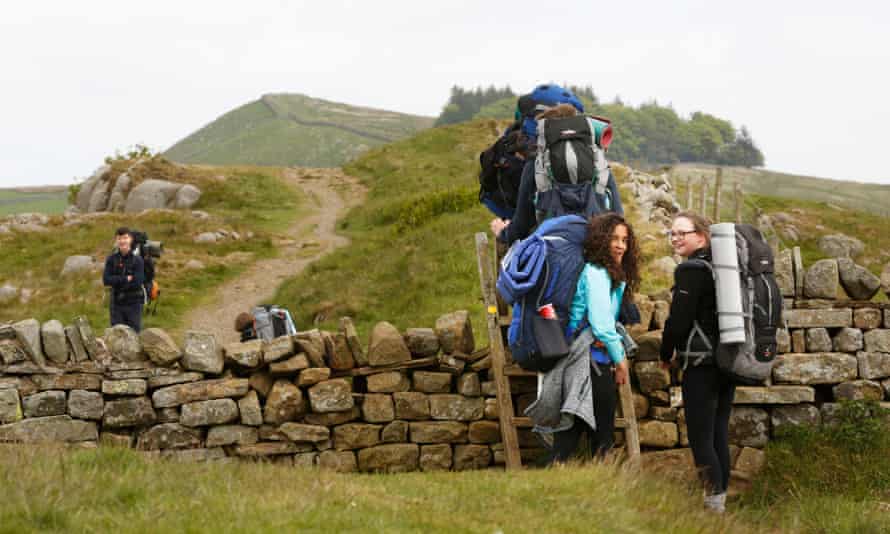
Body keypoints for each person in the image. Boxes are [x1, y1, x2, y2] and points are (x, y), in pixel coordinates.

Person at [544, 213, 640, 463]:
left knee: (574, 428)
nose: (620, 245)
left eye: (625, 240)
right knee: (599, 433)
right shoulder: (596, 272)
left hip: (591, 358)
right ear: (601, 241)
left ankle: (564, 475)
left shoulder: (610, 275)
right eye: (614, 239)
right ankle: (591, 475)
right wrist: (620, 360)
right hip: (587, 360)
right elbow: (601, 323)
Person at [659, 211, 734, 513]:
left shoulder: (691, 270)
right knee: (718, 436)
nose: (675, 238)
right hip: (728, 361)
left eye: (682, 233)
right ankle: (721, 503)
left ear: (701, 237)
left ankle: (713, 511)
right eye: (672, 233)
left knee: (701, 439)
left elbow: (678, 322)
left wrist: (666, 353)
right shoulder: (723, 267)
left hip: (702, 365)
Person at [102, 227, 145, 332]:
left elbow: (138, 282)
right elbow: (106, 280)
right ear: (116, 241)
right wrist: (125, 279)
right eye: (119, 238)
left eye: (125, 238)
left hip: (134, 304)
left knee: (134, 335)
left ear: (130, 239)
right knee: (117, 335)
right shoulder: (111, 259)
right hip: (116, 304)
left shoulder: (138, 260)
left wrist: (116, 280)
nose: (122, 241)